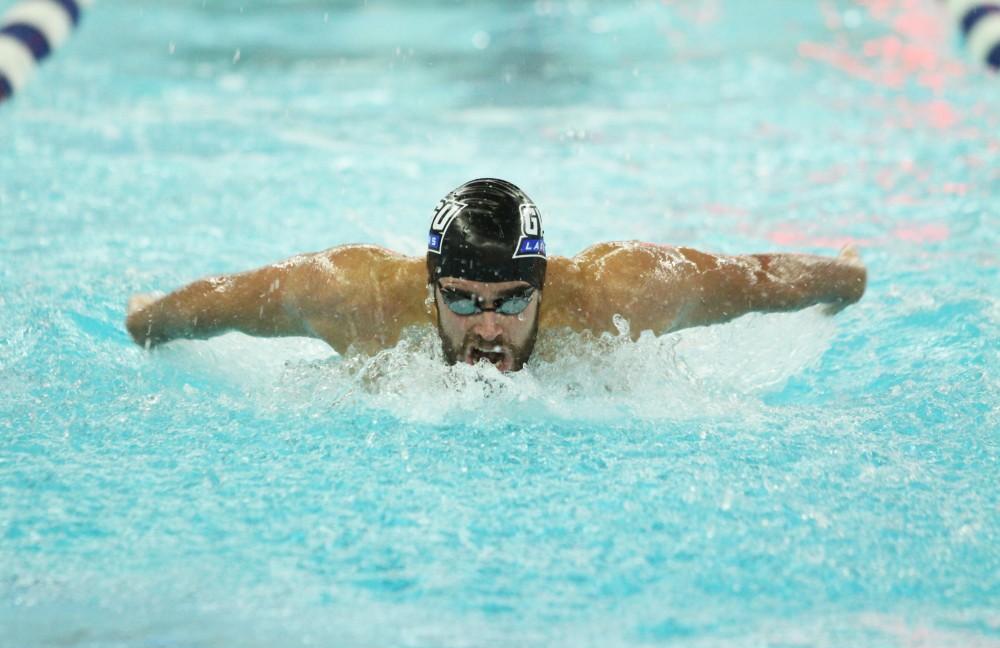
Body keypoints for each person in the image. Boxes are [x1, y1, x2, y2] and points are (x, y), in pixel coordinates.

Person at [126, 178, 867, 372]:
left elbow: (756, 278)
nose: (486, 329)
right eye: (463, 302)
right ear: (429, 290)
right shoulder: (352, 296)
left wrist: (842, 280)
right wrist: (148, 317)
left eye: (512, 301)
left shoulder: (623, 293)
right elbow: (217, 303)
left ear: (546, 288)